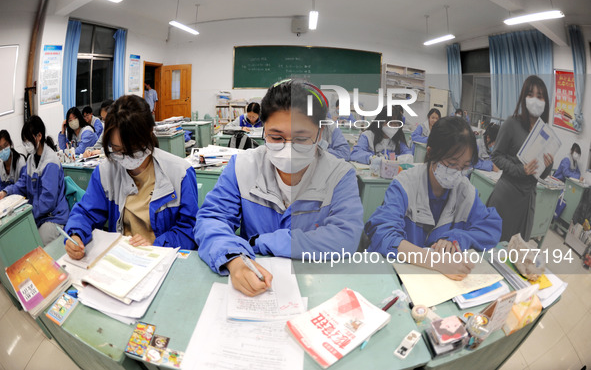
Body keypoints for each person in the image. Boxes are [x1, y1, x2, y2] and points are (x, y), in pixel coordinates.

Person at [195, 80, 364, 296]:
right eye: (276, 137)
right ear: (263, 130)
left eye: (302, 138)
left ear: (320, 134)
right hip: (256, 278)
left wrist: (264, 242)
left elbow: (345, 236)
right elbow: (212, 219)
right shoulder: (242, 167)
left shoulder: (339, 174)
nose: (289, 149)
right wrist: (234, 259)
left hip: (314, 282)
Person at [64, 95, 199, 260]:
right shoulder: (105, 172)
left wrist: (155, 246)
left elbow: (189, 230)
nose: (125, 156)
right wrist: (76, 234)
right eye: (117, 149)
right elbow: (86, 212)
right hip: (123, 259)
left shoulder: (180, 173)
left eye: (133, 149)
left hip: (161, 259)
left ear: (149, 134)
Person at [366, 117, 502, 280]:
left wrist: (457, 238)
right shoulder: (405, 185)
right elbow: (383, 234)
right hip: (401, 276)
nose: (458, 172)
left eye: (465, 166)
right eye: (452, 164)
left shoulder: (465, 190)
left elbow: (490, 229)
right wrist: (436, 261)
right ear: (430, 153)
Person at [487, 75, 554, 242]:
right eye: (530, 94)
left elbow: (540, 176)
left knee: (516, 251)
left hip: (527, 200)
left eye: (540, 96)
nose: (535, 100)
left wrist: (547, 166)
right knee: (494, 244)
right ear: (524, 98)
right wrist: (520, 169)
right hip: (507, 194)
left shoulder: (544, 132)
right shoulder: (511, 123)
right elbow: (496, 155)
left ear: (545, 101)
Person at [0, 116, 69, 245]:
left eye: (28, 141)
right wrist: (5, 192)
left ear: (39, 136)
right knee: (20, 237)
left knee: (34, 242)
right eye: (24, 141)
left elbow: (48, 200)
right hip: (39, 215)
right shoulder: (31, 159)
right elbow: (22, 184)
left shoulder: (50, 162)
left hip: (54, 217)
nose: (26, 145)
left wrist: (28, 213)